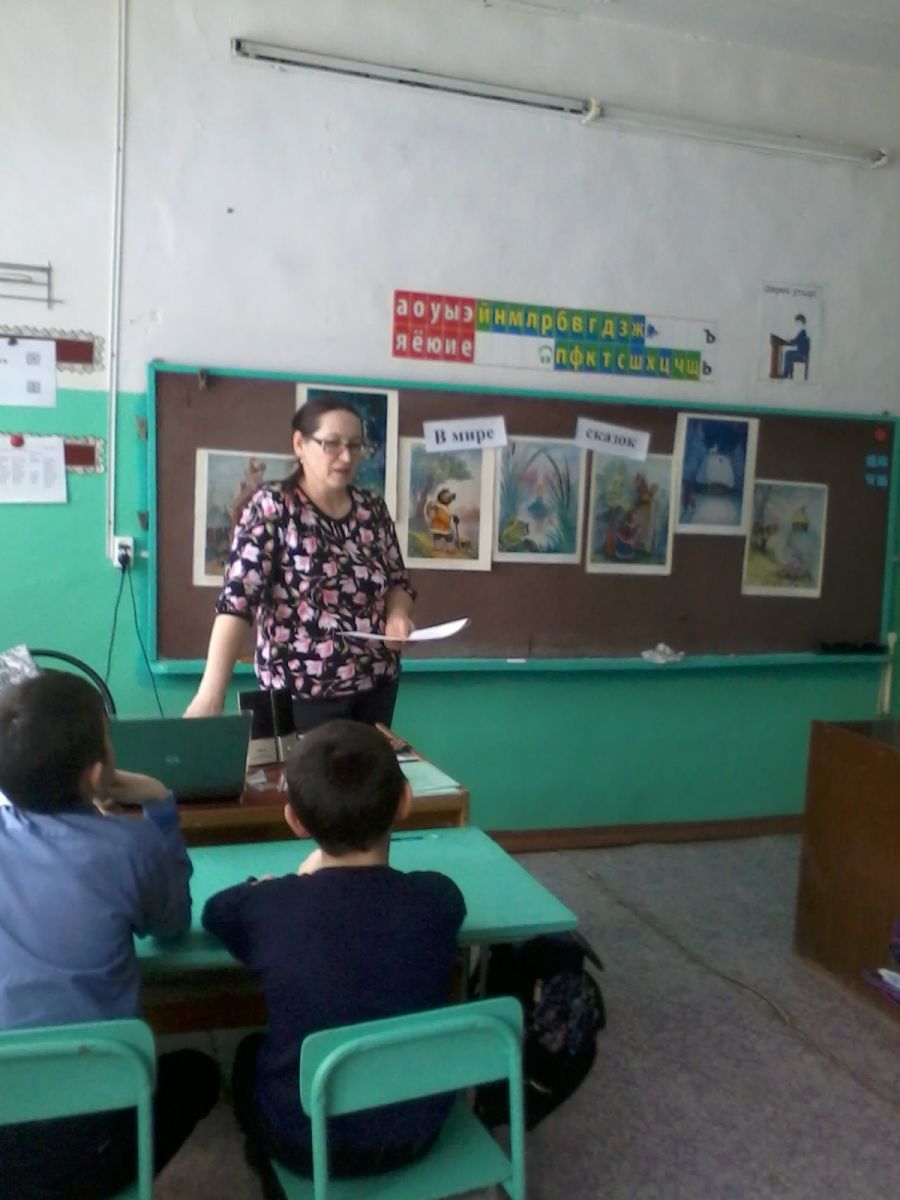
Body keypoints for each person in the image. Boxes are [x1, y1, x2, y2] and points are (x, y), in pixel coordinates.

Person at [202, 719, 466, 1183]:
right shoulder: (438, 898)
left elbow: (215, 914)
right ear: (405, 801)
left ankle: (269, 1170)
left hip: (306, 1148)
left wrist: (291, 883)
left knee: (246, 1053)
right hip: (420, 1133)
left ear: (294, 821)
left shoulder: (269, 906)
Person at [0, 673, 220, 1200]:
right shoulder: (129, 847)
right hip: (90, 1143)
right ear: (97, 772)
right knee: (199, 1073)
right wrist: (160, 802)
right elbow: (171, 928)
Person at [185, 396, 416, 734]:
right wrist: (210, 694)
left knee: (369, 770)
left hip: (376, 685)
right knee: (309, 771)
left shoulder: (372, 509)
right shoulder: (273, 506)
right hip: (301, 695)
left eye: (355, 445)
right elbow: (237, 601)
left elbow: (398, 582)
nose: (346, 457)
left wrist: (397, 615)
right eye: (332, 444)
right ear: (300, 444)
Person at [782, 313, 810, 378]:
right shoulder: (802, 332)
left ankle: (786, 374)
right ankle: (787, 373)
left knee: (788, 354)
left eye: (797, 322)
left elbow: (795, 342)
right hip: (801, 353)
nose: (796, 324)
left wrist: (789, 340)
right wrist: (790, 340)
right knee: (788, 353)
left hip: (802, 354)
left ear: (801, 322)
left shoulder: (802, 332)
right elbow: (796, 341)